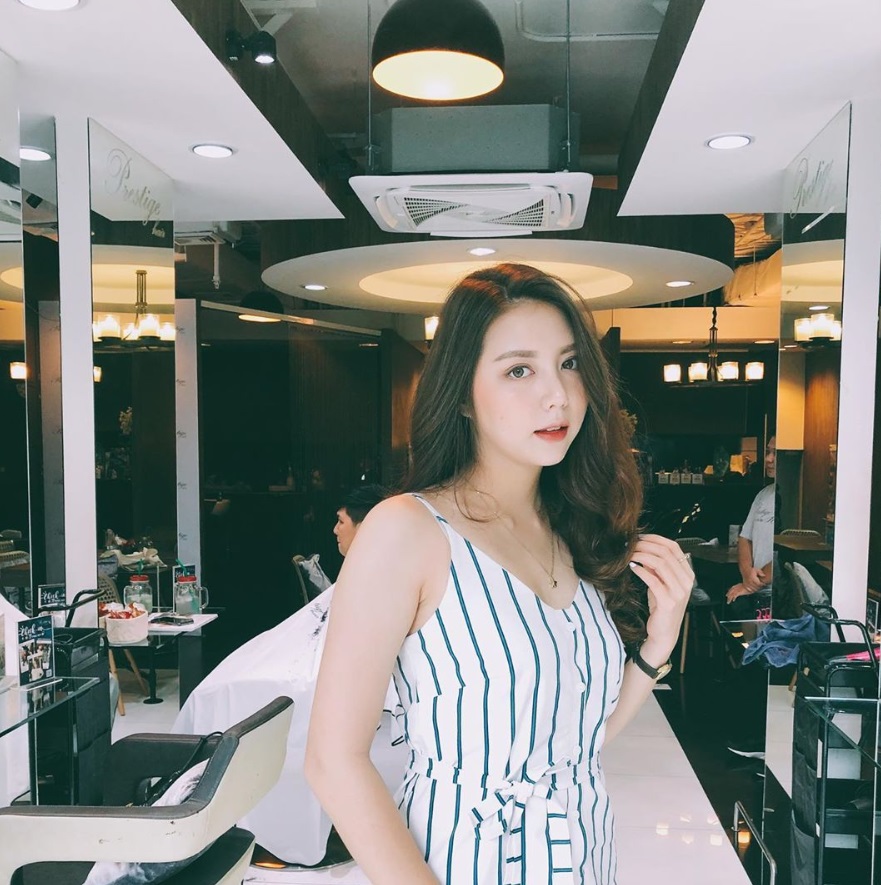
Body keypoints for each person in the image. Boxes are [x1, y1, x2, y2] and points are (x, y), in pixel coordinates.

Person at [306, 264, 691, 885]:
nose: (557, 395)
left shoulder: (567, 529)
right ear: (462, 393)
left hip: (585, 858)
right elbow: (333, 760)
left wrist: (658, 644)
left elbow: (577, 742)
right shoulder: (408, 530)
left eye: (569, 363)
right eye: (519, 370)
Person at [173, 483, 400, 866]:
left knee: (223, 695)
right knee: (219, 690)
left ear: (364, 525)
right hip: (306, 671)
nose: (334, 529)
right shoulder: (372, 575)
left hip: (312, 680)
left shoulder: (374, 579)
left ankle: (251, 823)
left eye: (340, 520)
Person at [725, 436, 777, 617]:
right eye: (768, 452)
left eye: (776, 453)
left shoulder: (797, 496)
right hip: (757, 589)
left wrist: (753, 583)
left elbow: (789, 554)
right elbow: (744, 537)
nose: (769, 459)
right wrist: (747, 574)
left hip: (781, 591)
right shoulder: (763, 494)